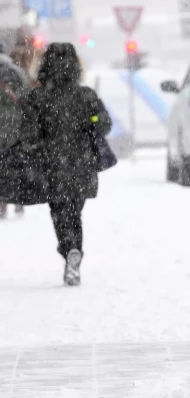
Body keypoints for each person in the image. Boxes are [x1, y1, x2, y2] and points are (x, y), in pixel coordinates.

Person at [18, 43, 112, 286]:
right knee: (74, 211)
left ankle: (69, 248)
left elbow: (28, 134)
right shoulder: (86, 95)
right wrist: (90, 120)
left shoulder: (37, 98)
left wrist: (37, 147)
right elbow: (104, 124)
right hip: (82, 165)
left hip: (52, 165)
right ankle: (74, 252)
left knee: (60, 211)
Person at [0, 39, 29, 220]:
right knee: (15, 165)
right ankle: (19, 202)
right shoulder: (17, 72)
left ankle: (1, 205)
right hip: (15, 127)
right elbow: (26, 98)